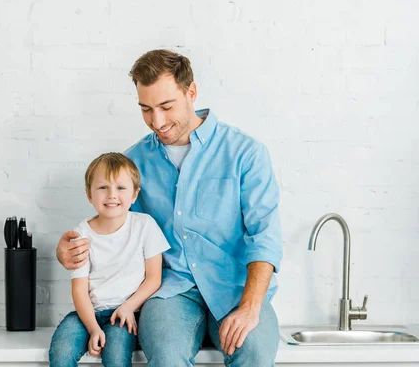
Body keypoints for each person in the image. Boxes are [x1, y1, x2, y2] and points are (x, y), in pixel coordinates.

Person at [56, 49, 283, 366]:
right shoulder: (133, 162)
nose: (157, 122)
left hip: (235, 289)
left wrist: (250, 307)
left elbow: (265, 236)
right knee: (165, 356)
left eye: (166, 106)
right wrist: (68, 250)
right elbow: (110, 222)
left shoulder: (245, 153)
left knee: (256, 353)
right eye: (146, 109)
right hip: (169, 291)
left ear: (191, 92)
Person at [49, 152, 170, 367]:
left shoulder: (145, 226)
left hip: (124, 314)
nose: (112, 195)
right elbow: (79, 290)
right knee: (61, 350)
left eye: (121, 188)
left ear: (134, 194)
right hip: (88, 312)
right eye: (103, 188)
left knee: (116, 357)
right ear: (89, 195)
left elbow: (154, 278)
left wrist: (128, 307)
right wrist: (93, 327)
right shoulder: (81, 234)